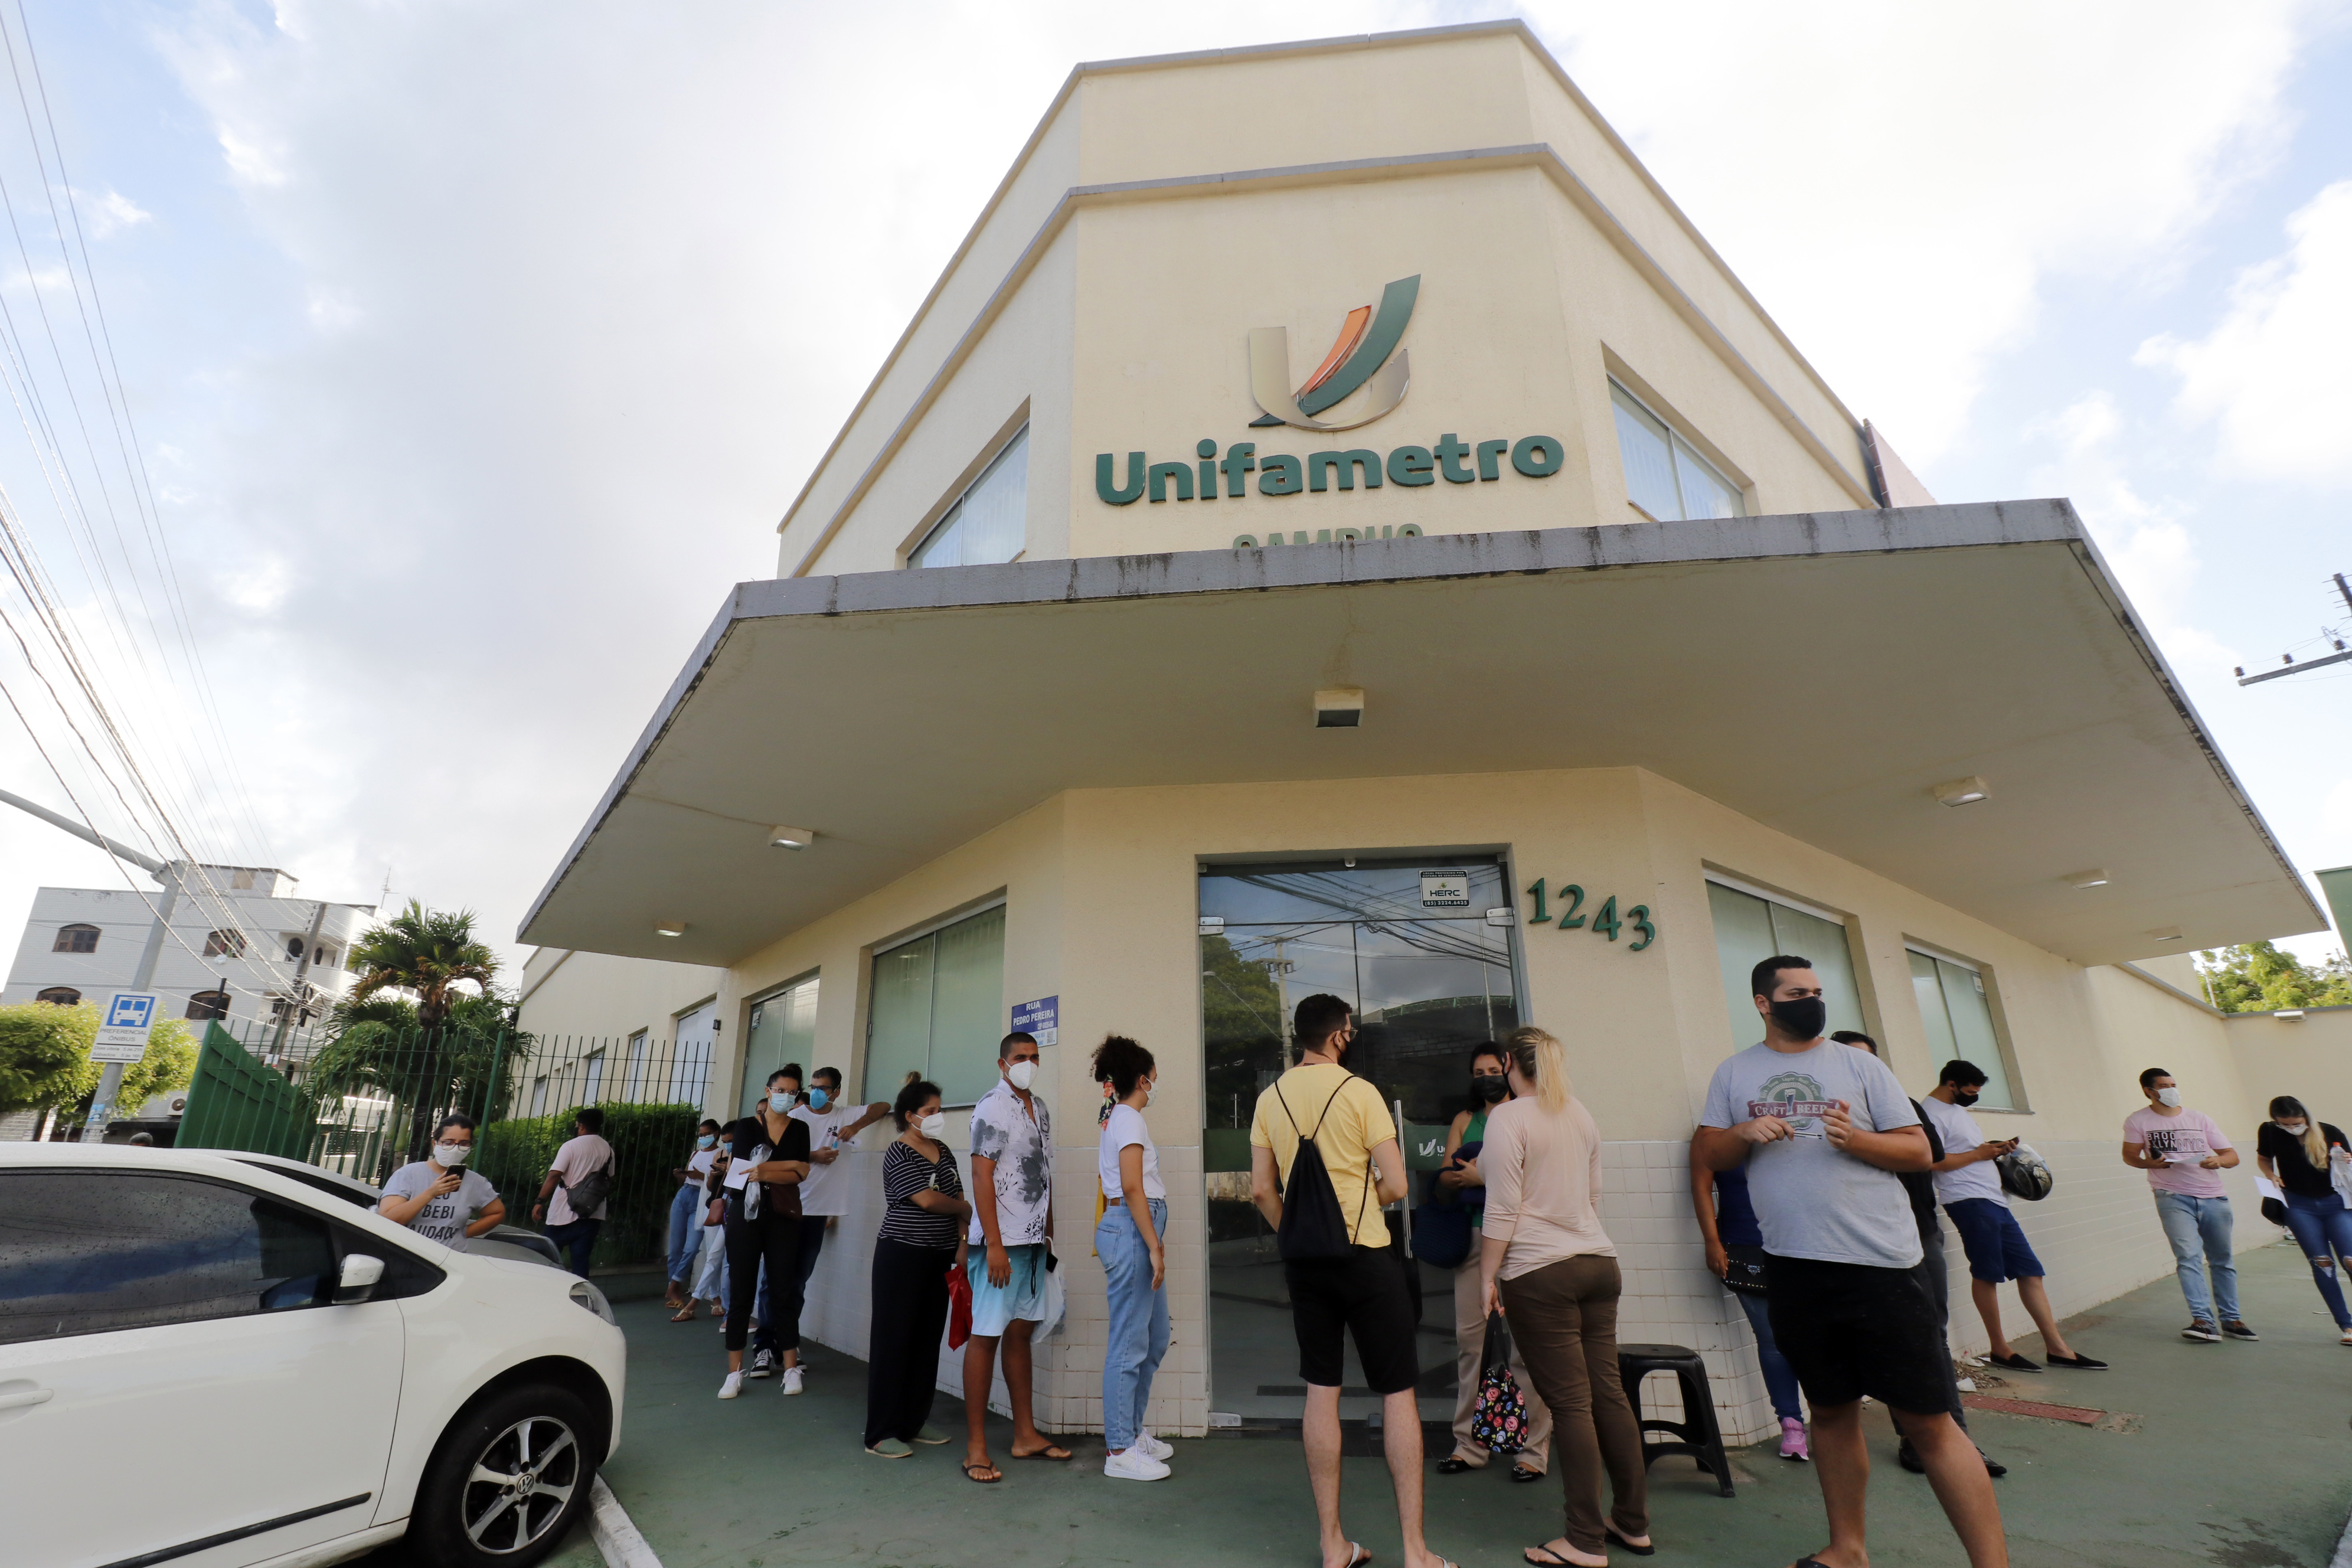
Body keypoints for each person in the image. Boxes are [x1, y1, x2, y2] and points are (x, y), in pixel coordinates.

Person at [1696, 956, 2007, 1568]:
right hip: (1793, 1267)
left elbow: (1919, 1151)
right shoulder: (1734, 1072)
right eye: (1796, 992)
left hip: (1880, 1267)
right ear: (1763, 1003)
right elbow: (1710, 1149)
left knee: (1928, 1421)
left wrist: (1856, 1139)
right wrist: (1743, 1133)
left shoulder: (1860, 1065)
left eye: (1817, 990)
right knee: (1831, 1412)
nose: (1811, 1000)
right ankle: (1847, 1549)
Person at [1250, 992, 1459, 1568]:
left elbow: (1262, 1190)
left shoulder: (1270, 1098)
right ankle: (1415, 1551)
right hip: (1366, 1256)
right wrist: (1363, 1204)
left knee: (1321, 1389)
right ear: (1339, 1034)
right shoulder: (1360, 1092)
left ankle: (1333, 1545)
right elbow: (1397, 1183)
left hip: (1306, 1265)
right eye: (1351, 1029)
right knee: (1397, 1392)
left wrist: (1296, 1231)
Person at [1479, 1025, 1648, 1568]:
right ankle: (1631, 1523)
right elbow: (1592, 1197)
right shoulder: (1580, 1114)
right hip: (1598, 1263)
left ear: (1510, 1063)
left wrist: (1487, 1275)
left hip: (1539, 1272)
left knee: (1572, 1405)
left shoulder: (1508, 1118)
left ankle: (1584, 1541)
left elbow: (1502, 1207)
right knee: (1608, 1396)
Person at [1828, 1033, 2004, 1478]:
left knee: (1930, 1336)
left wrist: (1863, 1137)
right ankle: (1915, 1437)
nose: (1862, 1069)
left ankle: (1950, 1442)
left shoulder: (1902, 1106)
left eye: (1869, 1060)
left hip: (1917, 1236)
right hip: (1855, 1243)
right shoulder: (1823, 1113)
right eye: (1850, 1060)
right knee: (1881, 1339)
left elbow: (1930, 1155)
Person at [1916, 1059, 2105, 1375]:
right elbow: (1931, 1162)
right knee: (1987, 1274)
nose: (1974, 1097)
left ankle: (2058, 1348)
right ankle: (2000, 1349)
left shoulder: (1957, 1110)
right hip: (1968, 1201)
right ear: (1951, 1084)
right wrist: (1979, 1154)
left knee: (2030, 1271)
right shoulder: (1929, 1114)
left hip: (1994, 1199)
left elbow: (1966, 1151)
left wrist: (1995, 1149)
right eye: (1970, 1092)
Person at [1438, 1044, 1552, 1482]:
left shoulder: (1529, 1114)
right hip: (1474, 1239)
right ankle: (1469, 1445)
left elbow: (1532, 1174)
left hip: (1523, 1241)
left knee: (1528, 1347)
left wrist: (1480, 1173)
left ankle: (1533, 1450)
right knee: (1471, 1345)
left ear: (1507, 1071)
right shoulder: (1465, 1120)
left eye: (1492, 1070)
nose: (1486, 1077)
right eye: (1478, 1072)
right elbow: (1446, 1175)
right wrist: (1461, 1176)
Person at [963, 1030, 1070, 1481]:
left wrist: (1048, 1232)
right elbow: (981, 1176)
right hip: (999, 1245)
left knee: (1020, 1334)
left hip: (1031, 1244)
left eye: (1034, 1056)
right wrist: (993, 1244)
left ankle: (1025, 1435)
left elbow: (1042, 1172)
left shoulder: (1039, 1108)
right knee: (986, 1336)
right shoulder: (992, 1107)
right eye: (1021, 1057)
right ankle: (976, 1448)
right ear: (1003, 1064)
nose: (1029, 1063)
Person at [1688, 1141, 1808, 1463]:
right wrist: (1712, 1241)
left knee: (1814, 1338)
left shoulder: (1797, 1123)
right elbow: (1701, 1187)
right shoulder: (1713, 1133)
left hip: (1806, 1246)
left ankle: (1830, 1421)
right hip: (1745, 1247)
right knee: (1771, 1340)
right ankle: (1791, 1425)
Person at [867, 1078, 968, 1458]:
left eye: (939, 1110)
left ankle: (913, 1421)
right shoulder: (899, 1151)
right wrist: (964, 1209)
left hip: (939, 1257)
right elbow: (927, 1200)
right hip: (901, 1256)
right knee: (893, 1341)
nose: (937, 1116)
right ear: (910, 1116)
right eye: (930, 1111)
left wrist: (962, 1242)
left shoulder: (943, 1150)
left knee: (926, 1341)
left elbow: (957, 1193)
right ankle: (880, 1433)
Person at [1094, 1034, 1175, 1481]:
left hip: (1135, 1230)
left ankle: (1132, 1432)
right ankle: (1120, 1450)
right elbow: (1131, 1186)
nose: (1156, 1086)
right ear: (1142, 1080)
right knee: (1128, 1344)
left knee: (1155, 1337)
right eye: (1155, 1078)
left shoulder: (1122, 1117)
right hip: (1131, 1232)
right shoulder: (1128, 1119)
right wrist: (1154, 1247)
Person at [2121, 1069, 2251, 1343]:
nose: (2171, 1090)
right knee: (2188, 1256)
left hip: (2213, 1197)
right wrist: (2148, 1163)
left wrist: (2219, 1161)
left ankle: (2232, 1319)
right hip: (2172, 1196)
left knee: (2222, 1259)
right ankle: (2203, 1320)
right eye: (2164, 1086)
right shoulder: (2138, 1120)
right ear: (2148, 1091)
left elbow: (2231, 1156)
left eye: (2173, 1084)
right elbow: (2130, 1156)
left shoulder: (2199, 1118)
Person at [786, 1066, 894, 1358]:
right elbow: (778, 1153)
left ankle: (787, 1344)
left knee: (799, 1280)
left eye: (823, 1088)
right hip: (789, 1206)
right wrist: (814, 1156)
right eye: (813, 1087)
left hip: (818, 1211)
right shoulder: (796, 1117)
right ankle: (766, 1344)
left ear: (836, 1092)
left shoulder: (844, 1115)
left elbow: (883, 1106)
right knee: (776, 1278)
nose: (816, 1093)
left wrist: (856, 1127)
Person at [717, 1074, 813, 1399]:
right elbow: (747, 1171)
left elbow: (802, 1172)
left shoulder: (800, 1128)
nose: (786, 1096)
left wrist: (774, 1170)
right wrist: (790, 1166)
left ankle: (790, 1368)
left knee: (783, 1290)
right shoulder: (747, 1126)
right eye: (780, 1090)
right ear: (768, 1091)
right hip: (745, 1215)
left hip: (783, 1217)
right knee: (742, 1292)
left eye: (792, 1092)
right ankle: (734, 1373)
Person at [2253, 1095, 2352, 1345]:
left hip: (2336, 1203)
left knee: (2350, 1260)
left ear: (2306, 1117)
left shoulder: (2328, 1131)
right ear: (2276, 1121)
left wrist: (2348, 1160)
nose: (2292, 1128)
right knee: (2322, 1264)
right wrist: (2271, 1175)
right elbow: (2264, 1158)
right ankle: (2346, 1325)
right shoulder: (2270, 1132)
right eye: (2285, 1124)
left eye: (2297, 1123)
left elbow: (2347, 1164)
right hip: (2298, 1205)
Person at [380, 1112, 506, 1249]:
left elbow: (497, 1213)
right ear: (435, 1143)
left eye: (464, 1144)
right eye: (448, 1142)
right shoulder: (408, 1174)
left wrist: (462, 1234)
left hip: (448, 1257)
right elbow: (387, 1219)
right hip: (407, 1253)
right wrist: (431, 1193)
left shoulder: (475, 1182)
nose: (455, 1149)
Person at [531, 1107, 615, 1277]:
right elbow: (609, 1178)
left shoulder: (570, 1146)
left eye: (577, 1125)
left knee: (547, 1258)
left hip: (564, 1212)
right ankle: (578, 1291)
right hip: (593, 1213)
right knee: (581, 1261)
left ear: (581, 1126)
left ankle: (544, 1286)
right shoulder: (608, 1150)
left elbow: (554, 1175)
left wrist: (540, 1201)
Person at [667, 1119, 724, 1316]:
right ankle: (674, 1290)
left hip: (702, 1199)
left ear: (716, 1134)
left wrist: (701, 1176)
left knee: (691, 1248)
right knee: (675, 1246)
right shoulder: (695, 1153)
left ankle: (675, 1284)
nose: (703, 1138)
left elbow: (715, 1180)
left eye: (706, 1134)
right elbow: (689, 1176)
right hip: (685, 1194)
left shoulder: (721, 1154)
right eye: (700, 1135)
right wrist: (683, 1175)